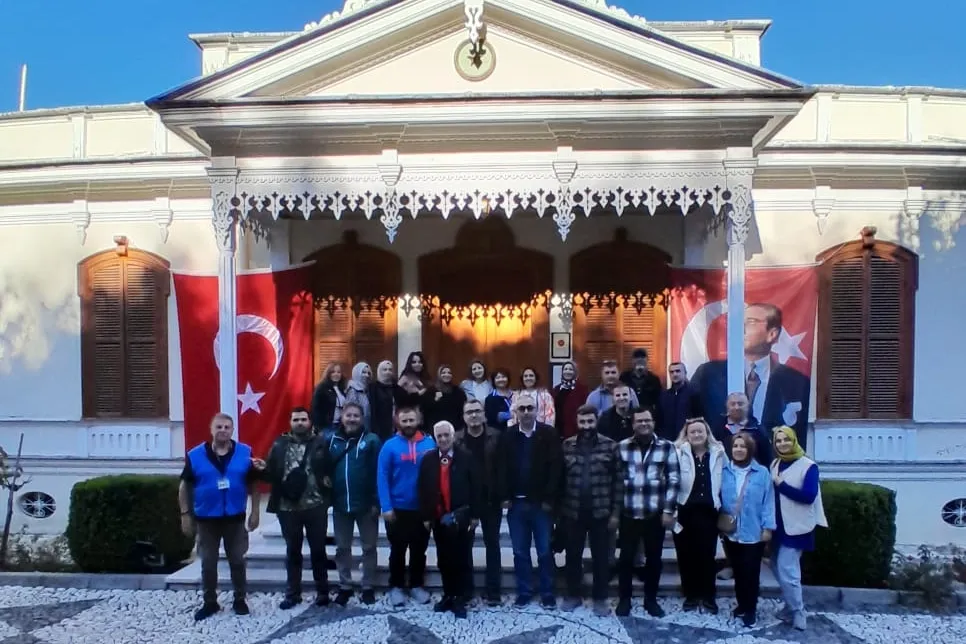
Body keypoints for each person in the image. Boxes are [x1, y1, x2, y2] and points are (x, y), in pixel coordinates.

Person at [692, 303, 810, 449]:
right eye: (739, 322)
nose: (741, 328)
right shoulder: (707, 375)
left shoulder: (796, 382)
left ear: (772, 334)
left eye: (751, 322)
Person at [179, 413, 261, 621]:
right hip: (206, 518)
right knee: (208, 562)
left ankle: (240, 599)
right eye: (219, 427)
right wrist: (185, 514)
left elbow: (254, 485)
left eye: (227, 427)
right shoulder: (195, 455)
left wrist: (255, 512)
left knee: (237, 560)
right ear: (211, 429)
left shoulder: (245, 453)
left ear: (232, 430)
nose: (223, 430)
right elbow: (184, 486)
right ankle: (209, 602)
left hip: (234, 517)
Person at [494, 393, 563, 608]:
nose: (526, 412)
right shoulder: (507, 435)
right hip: (516, 504)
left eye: (529, 408)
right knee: (520, 552)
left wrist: (550, 498)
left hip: (541, 504)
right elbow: (500, 467)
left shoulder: (549, 434)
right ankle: (524, 591)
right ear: (515, 411)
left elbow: (556, 468)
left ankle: (547, 592)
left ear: (537, 411)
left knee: (544, 551)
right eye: (521, 408)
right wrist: (504, 495)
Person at [257, 407, 330, 609]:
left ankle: (322, 592)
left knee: (318, 551)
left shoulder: (321, 443)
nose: (299, 423)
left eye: (303, 419)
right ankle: (292, 594)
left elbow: (329, 467)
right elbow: (271, 474)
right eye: (296, 419)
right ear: (290, 422)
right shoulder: (279, 444)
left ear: (310, 421)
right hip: (287, 507)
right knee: (293, 551)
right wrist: (262, 469)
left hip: (316, 505)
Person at [614, 406, 680, 618]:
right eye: (639, 421)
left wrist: (669, 510)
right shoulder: (622, 447)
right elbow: (615, 481)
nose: (644, 424)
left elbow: (674, 479)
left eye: (647, 421)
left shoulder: (667, 447)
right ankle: (624, 599)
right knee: (625, 559)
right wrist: (615, 512)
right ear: (633, 424)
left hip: (654, 513)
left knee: (654, 559)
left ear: (653, 422)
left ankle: (650, 600)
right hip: (628, 513)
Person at [559, 405, 620, 616]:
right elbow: (561, 480)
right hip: (573, 511)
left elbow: (618, 482)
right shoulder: (566, 446)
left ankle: (600, 598)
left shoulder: (610, 446)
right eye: (582, 422)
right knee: (573, 556)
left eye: (590, 422)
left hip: (601, 512)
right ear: (577, 423)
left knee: (601, 558)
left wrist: (615, 513)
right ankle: (573, 594)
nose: (586, 426)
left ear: (597, 421)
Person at [419, 421, 482, 618]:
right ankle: (448, 594)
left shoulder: (466, 457)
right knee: (444, 560)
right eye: (440, 436)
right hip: (439, 518)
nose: (444, 439)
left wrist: (474, 515)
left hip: (461, 517)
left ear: (453, 436)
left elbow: (476, 487)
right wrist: (426, 516)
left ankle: (460, 598)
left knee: (461, 559)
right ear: (435, 438)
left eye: (447, 435)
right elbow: (422, 489)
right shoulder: (428, 459)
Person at [377, 406, 437, 606]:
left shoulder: (430, 443)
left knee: (419, 550)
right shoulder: (389, 446)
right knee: (398, 550)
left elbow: (436, 475)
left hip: (422, 508)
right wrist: (386, 506)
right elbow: (382, 477)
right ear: (398, 423)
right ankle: (396, 586)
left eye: (411, 420)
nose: (409, 424)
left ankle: (416, 585)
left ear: (418, 421)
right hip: (397, 509)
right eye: (405, 421)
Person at [770, 426, 828, 631]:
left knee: (788, 569)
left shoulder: (808, 465)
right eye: (778, 441)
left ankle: (798, 611)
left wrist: (782, 485)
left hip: (797, 526)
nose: (782, 444)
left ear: (794, 440)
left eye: (786, 439)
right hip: (777, 525)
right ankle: (789, 604)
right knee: (776, 566)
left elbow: (808, 496)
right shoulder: (775, 463)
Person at [325, 402, 381, 606]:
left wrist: (377, 501)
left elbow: (378, 472)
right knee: (342, 548)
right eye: (348, 415)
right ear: (342, 417)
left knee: (369, 547)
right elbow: (323, 467)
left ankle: (368, 586)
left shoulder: (372, 440)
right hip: (341, 504)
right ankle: (345, 585)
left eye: (356, 415)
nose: (352, 419)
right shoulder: (331, 440)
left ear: (362, 418)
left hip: (366, 504)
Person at [720, 431, 776, 628]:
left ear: (750, 449)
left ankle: (751, 608)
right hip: (731, 532)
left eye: (743, 446)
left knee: (750, 572)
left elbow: (768, 502)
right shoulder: (725, 470)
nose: (738, 449)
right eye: (735, 446)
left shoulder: (762, 473)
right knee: (737, 570)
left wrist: (768, 528)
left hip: (753, 531)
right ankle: (741, 604)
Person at [673, 418, 725, 613]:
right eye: (692, 432)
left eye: (700, 432)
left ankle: (709, 595)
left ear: (706, 433)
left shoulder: (719, 453)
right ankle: (691, 595)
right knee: (686, 555)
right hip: (685, 510)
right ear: (687, 435)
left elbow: (725, 480)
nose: (696, 435)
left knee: (707, 555)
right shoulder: (678, 453)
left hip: (709, 512)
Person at [456, 398, 503, 605]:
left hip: (491, 500)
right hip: (466, 502)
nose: (474, 415)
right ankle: (467, 590)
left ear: (484, 414)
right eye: (469, 412)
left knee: (492, 545)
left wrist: (504, 495)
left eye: (477, 411)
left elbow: (505, 468)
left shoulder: (497, 436)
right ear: (464, 417)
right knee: (465, 547)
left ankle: (493, 591)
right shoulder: (456, 439)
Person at [658, 362, 702, 441]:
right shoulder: (663, 395)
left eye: (678, 371)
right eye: (671, 372)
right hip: (667, 440)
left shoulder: (694, 394)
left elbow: (698, 417)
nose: (675, 374)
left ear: (685, 373)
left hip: (687, 439)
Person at [552, 360, 590, 440]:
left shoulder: (582, 389)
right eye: (565, 369)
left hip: (575, 430)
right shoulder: (556, 390)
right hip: (558, 430)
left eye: (570, 369)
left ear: (575, 372)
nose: (567, 371)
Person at [311, 362, 348, 435]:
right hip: (326, 427)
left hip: (341, 426)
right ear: (328, 373)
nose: (336, 374)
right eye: (333, 372)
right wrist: (318, 428)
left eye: (338, 372)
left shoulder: (342, 388)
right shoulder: (321, 388)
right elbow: (315, 409)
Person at [428, 364, 467, 429]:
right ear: (439, 375)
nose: (447, 375)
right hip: (437, 427)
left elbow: (462, 409)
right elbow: (428, 409)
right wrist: (435, 400)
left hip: (456, 427)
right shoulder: (433, 390)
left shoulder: (457, 391)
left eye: (449, 373)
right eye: (443, 373)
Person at [345, 362, 373, 432]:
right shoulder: (353, 390)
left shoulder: (368, 390)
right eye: (363, 372)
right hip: (356, 429)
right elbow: (351, 412)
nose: (366, 375)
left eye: (369, 373)